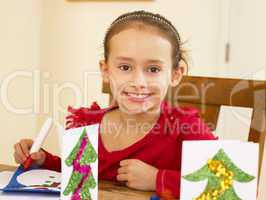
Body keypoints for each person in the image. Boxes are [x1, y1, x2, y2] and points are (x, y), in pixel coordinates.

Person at [13, 10, 217, 198]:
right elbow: (80, 175)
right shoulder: (87, 123)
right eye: (125, 67)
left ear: (175, 74)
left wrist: (157, 179)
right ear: (105, 70)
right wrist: (44, 161)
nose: (138, 82)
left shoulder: (185, 127)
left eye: (153, 69)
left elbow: (225, 185)